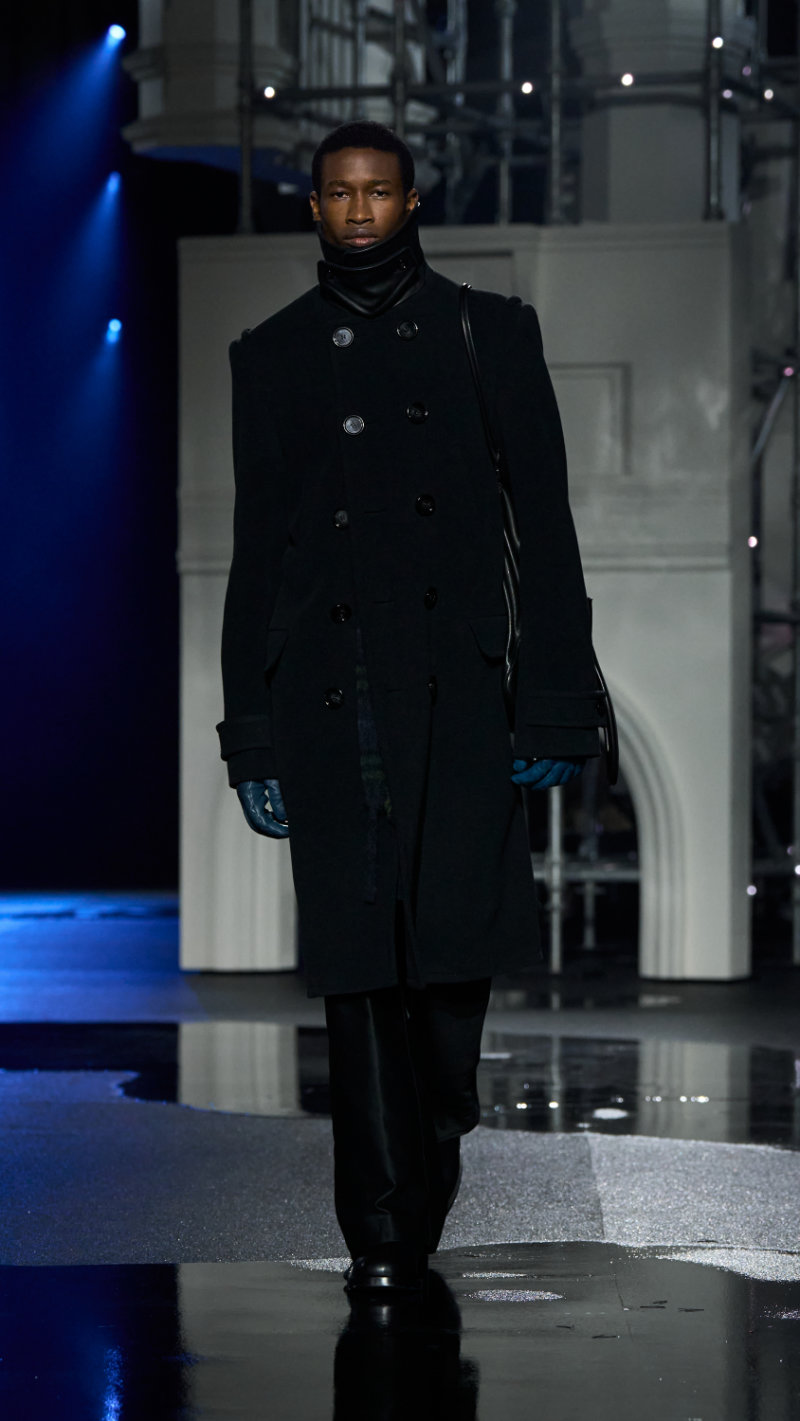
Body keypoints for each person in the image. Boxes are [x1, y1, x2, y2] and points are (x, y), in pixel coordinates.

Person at [216, 120, 602, 1299]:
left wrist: (553, 704)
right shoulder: (272, 354)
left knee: (445, 968)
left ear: (411, 200)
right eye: (338, 193)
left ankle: (435, 1121)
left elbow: (544, 527)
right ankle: (380, 1227)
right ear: (315, 208)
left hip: (456, 694)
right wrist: (252, 730)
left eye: (377, 191)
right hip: (331, 693)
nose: (358, 211)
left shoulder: (488, 333)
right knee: (359, 974)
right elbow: (257, 552)